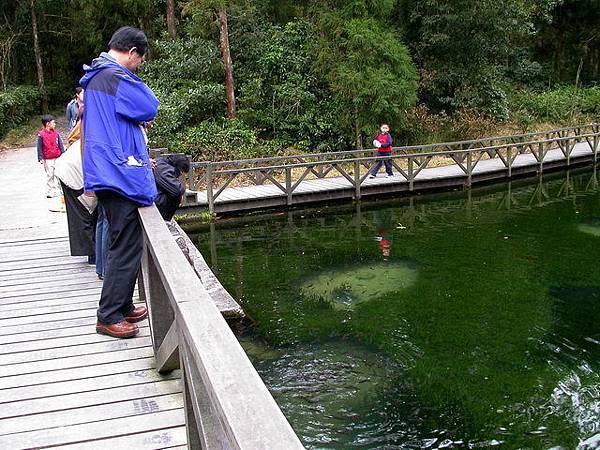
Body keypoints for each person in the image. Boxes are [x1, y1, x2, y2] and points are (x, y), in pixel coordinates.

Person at [80, 26, 159, 339]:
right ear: (132, 53)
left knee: (126, 242)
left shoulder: (99, 77)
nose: (139, 66)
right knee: (124, 246)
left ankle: (123, 305)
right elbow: (149, 105)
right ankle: (109, 315)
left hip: (109, 171)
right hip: (117, 173)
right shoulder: (114, 76)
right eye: (140, 60)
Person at [54, 120, 97, 264]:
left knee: (89, 212)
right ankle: (92, 255)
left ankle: (94, 252)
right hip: (71, 173)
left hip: (77, 170)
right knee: (84, 213)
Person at [154, 154, 190, 221]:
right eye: (181, 172)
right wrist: (181, 194)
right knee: (176, 196)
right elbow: (177, 190)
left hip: (149, 196)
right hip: (152, 201)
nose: (181, 175)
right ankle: (165, 220)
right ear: (179, 167)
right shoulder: (163, 169)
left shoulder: (161, 162)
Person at [36, 114, 65, 198]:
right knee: (50, 175)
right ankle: (50, 191)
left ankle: (59, 190)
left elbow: (60, 144)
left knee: (58, 174)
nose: (55, 124)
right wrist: (40, 157)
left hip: (57, 157)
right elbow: (39, 147)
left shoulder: (56, 133)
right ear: (48, 123)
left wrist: (63, 154)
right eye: (53, 122)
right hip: (48, 159)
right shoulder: (41, 135)